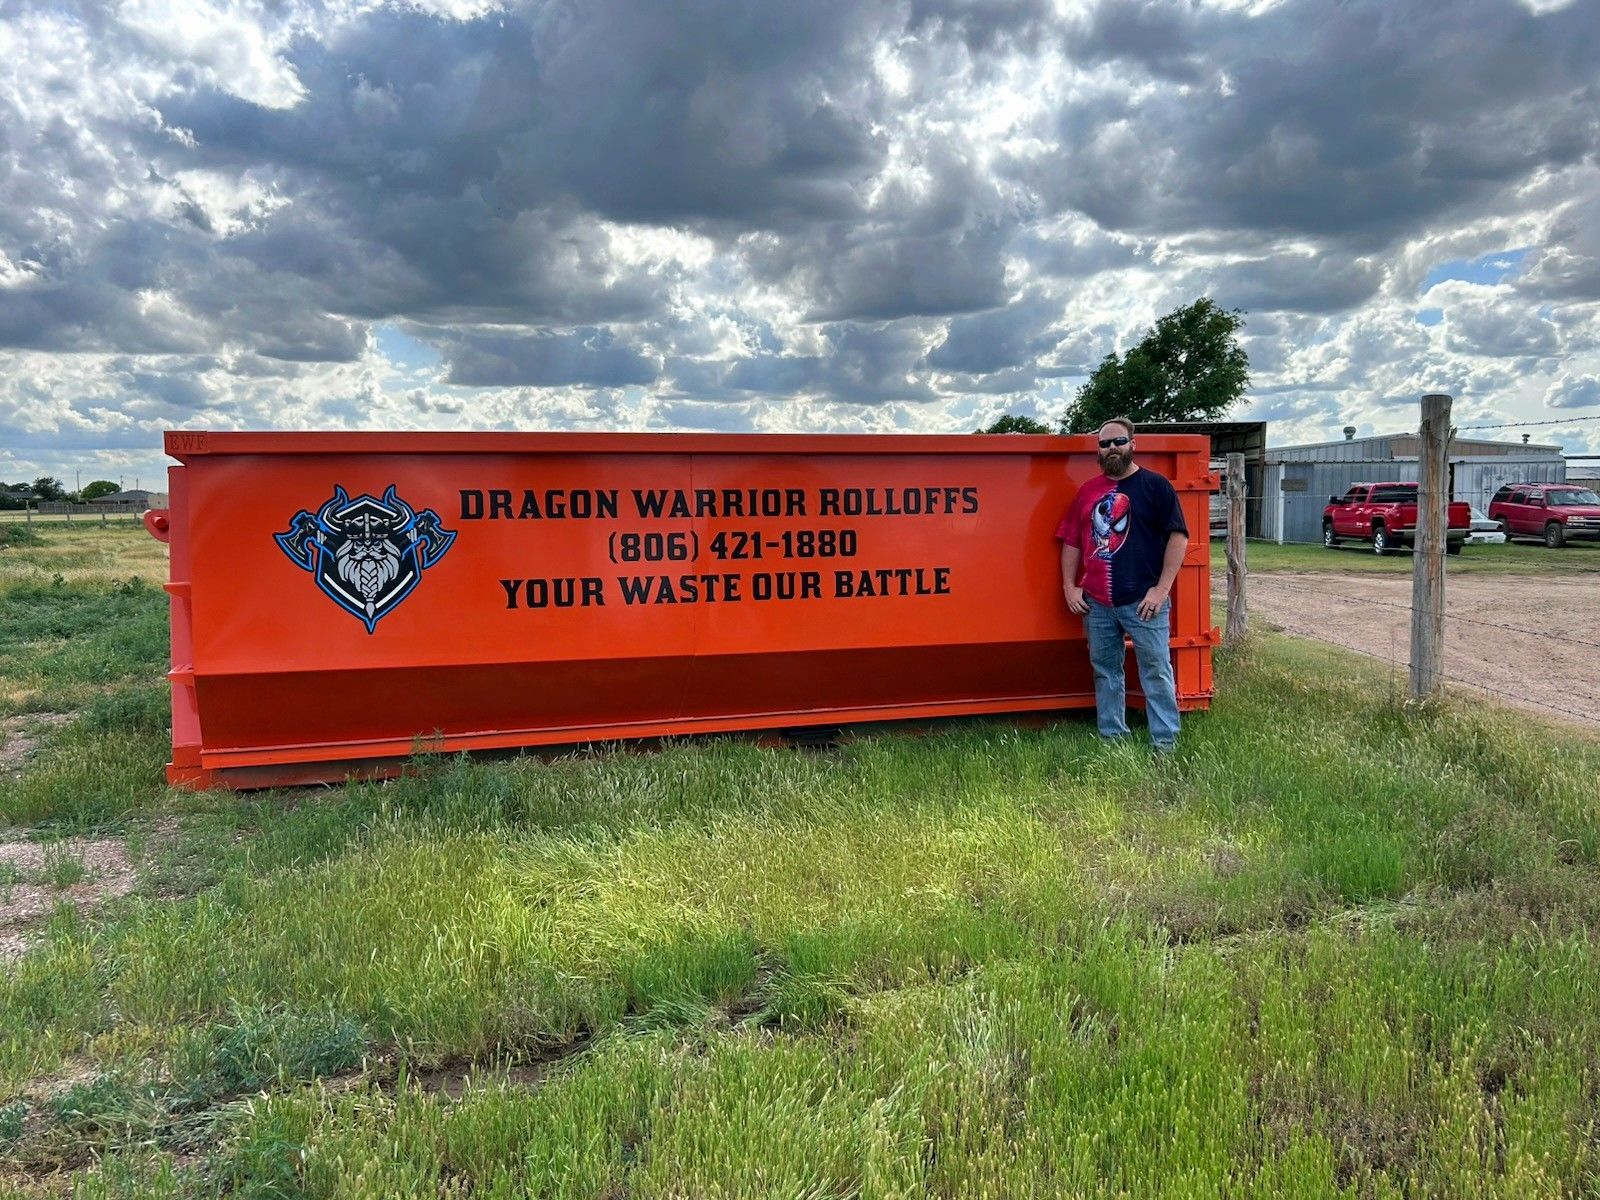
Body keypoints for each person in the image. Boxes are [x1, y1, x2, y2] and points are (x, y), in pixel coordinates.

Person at [1056, 417, 1189, 754]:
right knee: (1105, 671)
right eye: (1104, 444)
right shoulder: (1087, 492)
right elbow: (1072, 541)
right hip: (1097, 602)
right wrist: (1070, 588)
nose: (1111, 448)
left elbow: (1178, 538)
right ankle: (1113, 740)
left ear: (1133, 444)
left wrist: (1161, 590)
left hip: (1143, 600)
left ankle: (1165, 744)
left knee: (1156, 670)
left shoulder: (1156, 486)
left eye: (1118, 441)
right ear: (1098, 451)